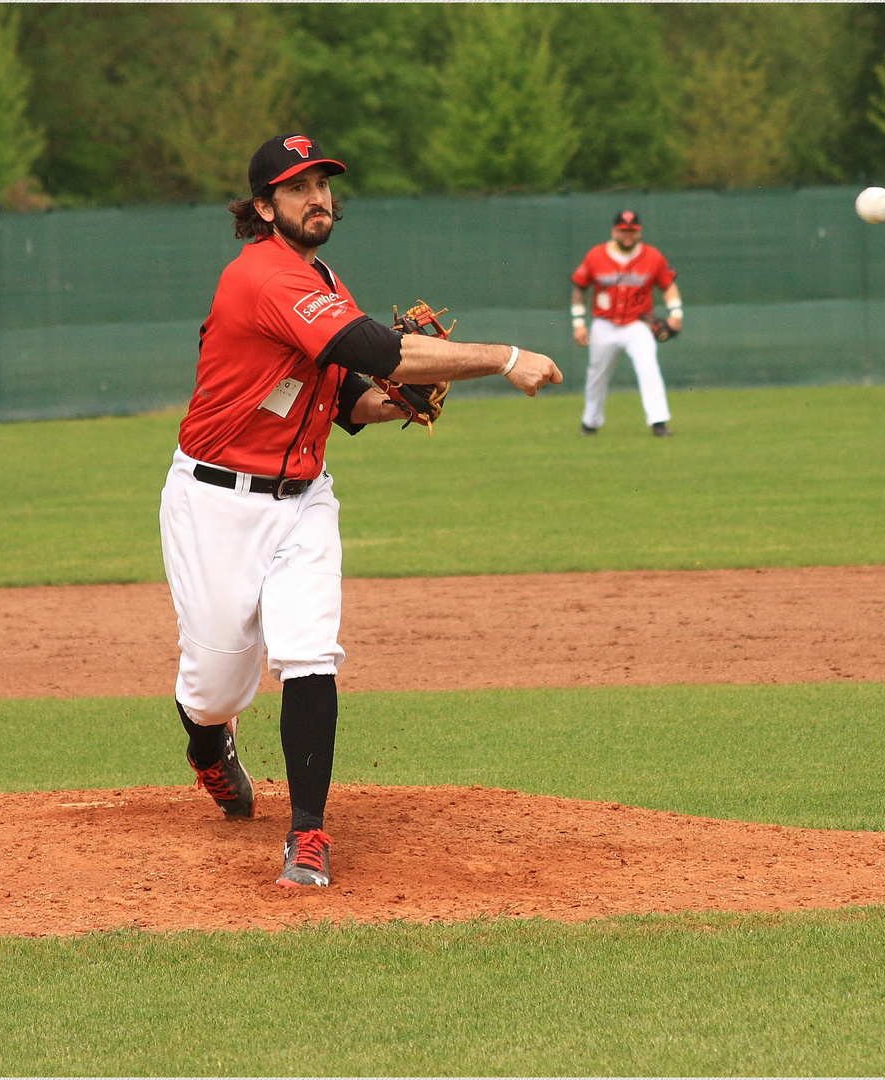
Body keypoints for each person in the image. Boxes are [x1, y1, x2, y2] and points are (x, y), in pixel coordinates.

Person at [162, 134, 561, 888]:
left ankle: (307, 835)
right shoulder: (264, 277)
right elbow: (380, 346)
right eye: (296, 187)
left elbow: (344, 387)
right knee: (213, 691)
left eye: (323, 184)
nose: (316, 198)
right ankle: (210, 750)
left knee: (309, 653)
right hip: (214, 501)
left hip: (303, 497)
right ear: (261, 207)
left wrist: (381, 405)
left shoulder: (322, 277)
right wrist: (504, 358)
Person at [570, 210, 683, 436]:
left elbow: (668, 284)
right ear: (614, 231)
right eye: (623, 230)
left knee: (648, 366)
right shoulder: (596, 255)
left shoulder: (652, 256)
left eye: (632, 231)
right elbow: (580, 287)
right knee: (596, 374)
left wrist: (676, 313)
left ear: (639, 231)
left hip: (637, 324)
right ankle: (590, 422)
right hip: (604, 324)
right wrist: (579, 322)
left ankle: (658, 421)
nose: (628, 235)